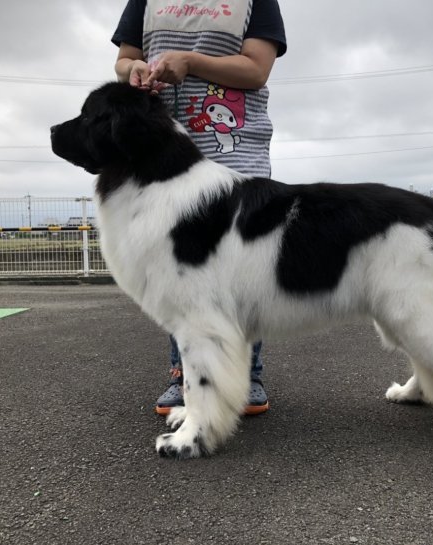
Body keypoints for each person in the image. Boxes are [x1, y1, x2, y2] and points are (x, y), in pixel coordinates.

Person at [111, 0, 286, 416]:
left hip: (236, 151)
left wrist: (190, 61)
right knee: (180, 271)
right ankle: (184, 374)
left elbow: (256, 69)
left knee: (242, 271)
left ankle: (247, 375)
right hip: (168, 151)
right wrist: (132, 71)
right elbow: (124, 60)